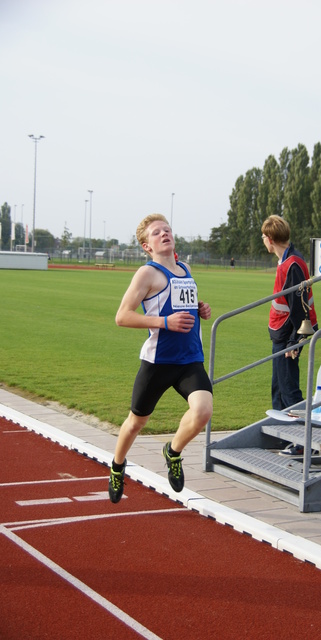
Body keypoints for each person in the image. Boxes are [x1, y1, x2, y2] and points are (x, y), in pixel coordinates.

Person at [108, 213, 213, 502]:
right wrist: (165, 323)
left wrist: (200, 308)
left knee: (203, 411)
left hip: (190, 359)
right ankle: (118, 465)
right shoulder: (147, 274)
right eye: (157, 232)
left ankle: (173, 451)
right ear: (147, 246)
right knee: (136, 422)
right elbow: (122, 317)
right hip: (158, 362)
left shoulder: (185, 268)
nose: (165, 234)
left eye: (167, 229)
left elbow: (184, 308)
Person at [261, 215, 318, 455]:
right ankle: (283, 437)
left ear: (270, 239)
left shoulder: (292, 264)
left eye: (264, 237)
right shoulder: (287, 260)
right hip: (282, 334)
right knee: (278, 387)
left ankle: (303, 443)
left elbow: (299, 305)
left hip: (289, 335)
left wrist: (297, 339)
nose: (263, 241)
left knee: (289, 389)